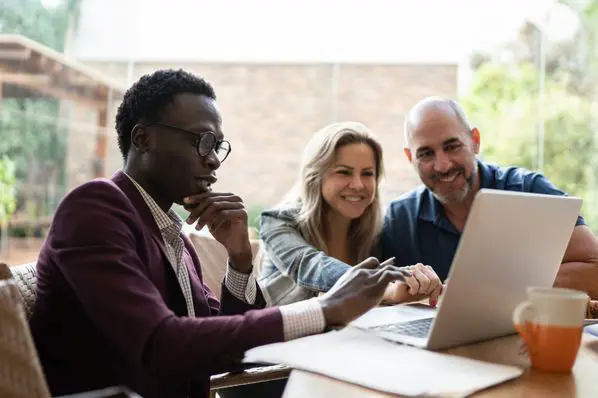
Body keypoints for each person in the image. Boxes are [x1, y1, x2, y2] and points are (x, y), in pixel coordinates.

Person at [29, 69, 411, 398]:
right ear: (143, 139)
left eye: (217, 146)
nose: (213, 159)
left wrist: (241, 260)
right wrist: (325, 309)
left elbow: (226, 342)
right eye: (202, 141)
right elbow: (161, 345)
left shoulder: (170, 233)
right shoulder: (96, 207)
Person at [379, 96, 598, 298]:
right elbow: (373, 287)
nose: (443, 165)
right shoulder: (400, 218)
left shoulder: (528, 189)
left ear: (475, 141)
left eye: (452, 146)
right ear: (410, 158)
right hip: (429, 338)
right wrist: (395, 291)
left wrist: (500, 286)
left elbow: (595, 268)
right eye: (426, 154)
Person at [258, 122, 443, 308]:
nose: (358, 185)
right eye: (344, 172)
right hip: (280, 335)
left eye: (367, 173)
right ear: (315, 177)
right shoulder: (277, 222)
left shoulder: (376, 233)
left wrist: (416, 280)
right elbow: (311, 266)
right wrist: (384, 287)